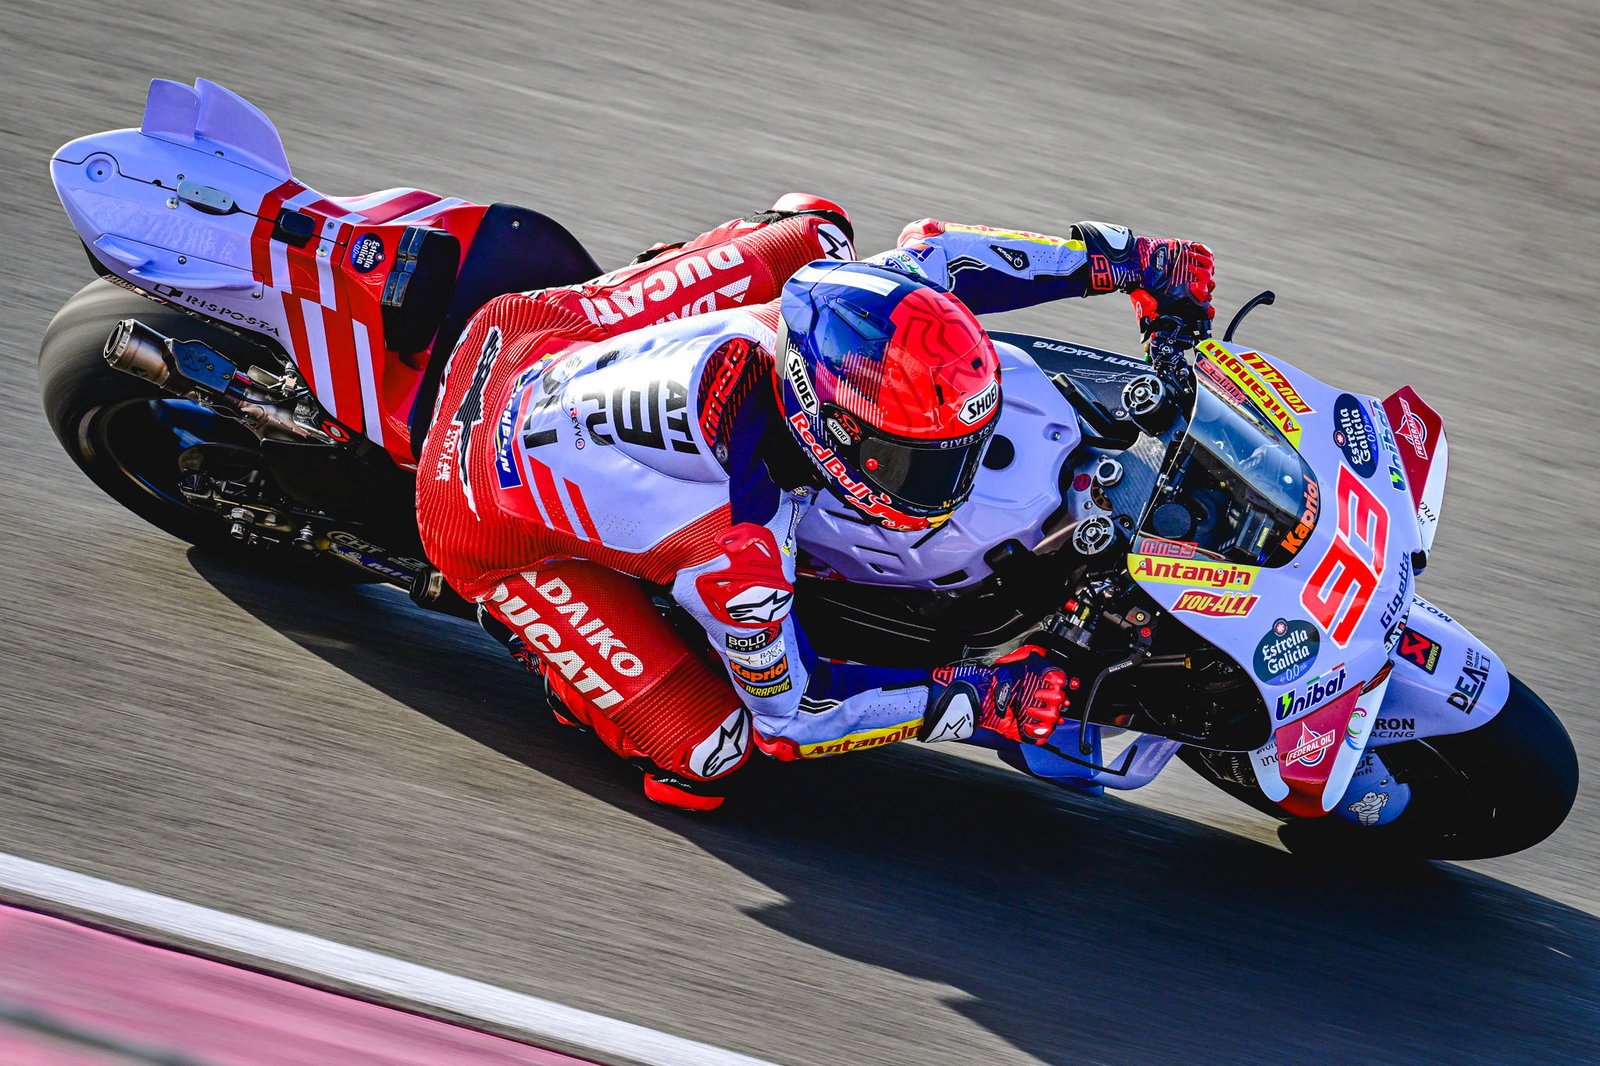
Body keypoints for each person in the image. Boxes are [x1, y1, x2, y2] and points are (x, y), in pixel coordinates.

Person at [415, 195, 1215, 809]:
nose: (941, 481)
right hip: (477, 507)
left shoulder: (852, 305)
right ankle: (546, 658)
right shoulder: (742, 555)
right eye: (910, 461)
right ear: (821, 421)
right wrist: (982, 697)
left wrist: (1135, 264)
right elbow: (797, 720)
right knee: (707, 759)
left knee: (816, 231)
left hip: (531, 329)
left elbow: (952, 256)